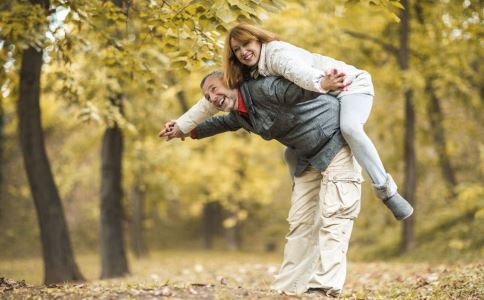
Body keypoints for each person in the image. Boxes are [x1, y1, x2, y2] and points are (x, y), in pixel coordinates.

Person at [162, 24, 413, 220]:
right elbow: (212, 104)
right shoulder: (245, 71)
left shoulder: (277, 54)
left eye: (246, 44)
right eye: (236, 50)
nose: (243, 52)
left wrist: (323, 82)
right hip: (324, 93)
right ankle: (307, 206)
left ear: (258, 39)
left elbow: (300, 75)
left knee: (350, 128)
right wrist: (182, 127)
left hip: (347, 85)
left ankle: (387, 191)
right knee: (291, 155)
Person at [160, 70, 362, 297]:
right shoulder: (241, 113)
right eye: (207, 97)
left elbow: (299, 88)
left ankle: (325, 288)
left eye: (214, 89)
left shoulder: (264, 88)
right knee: (300, 221)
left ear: (231, 81)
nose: (213, 97)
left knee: (335, 216)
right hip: (306, 155)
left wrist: (325, 82)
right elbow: (222, 123)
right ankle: (289, 289)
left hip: (335, 142)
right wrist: (184, 130)